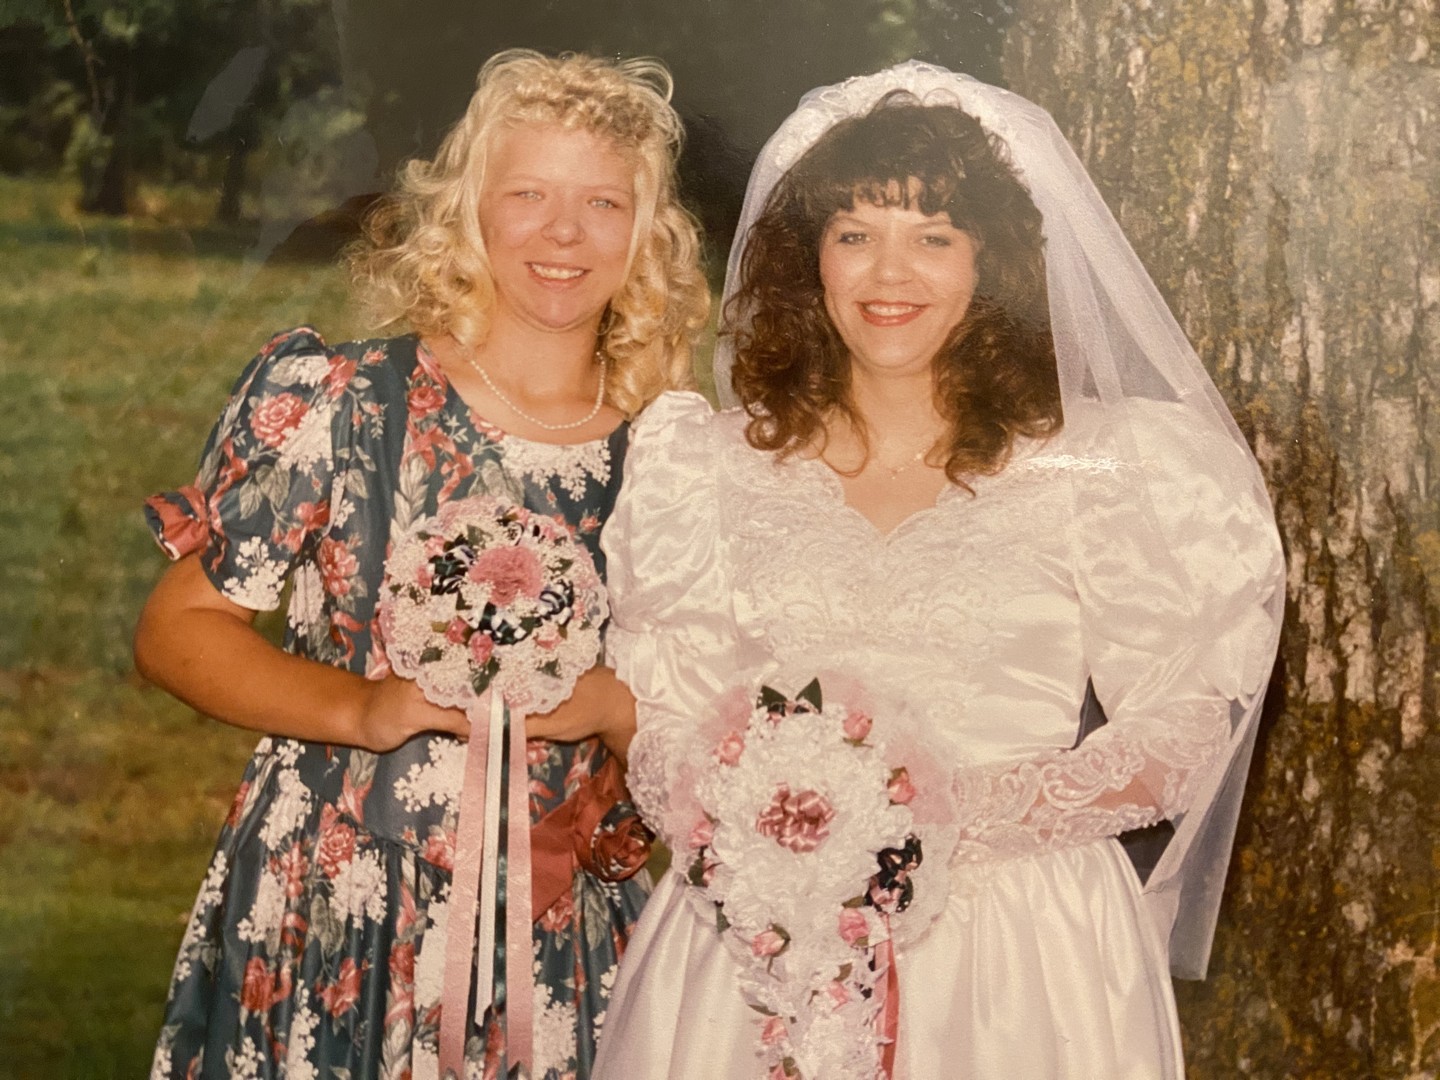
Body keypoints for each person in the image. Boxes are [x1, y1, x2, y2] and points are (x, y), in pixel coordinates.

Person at [590, 63, 1285, 1078]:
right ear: (809, 260)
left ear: (988, 260)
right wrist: (765, 829)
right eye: (854, 235)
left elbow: (1180, 732)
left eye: (934, 238)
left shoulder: (1105, 467)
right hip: (764, 943)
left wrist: (930, 818)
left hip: (1022, 957)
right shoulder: (706, 466)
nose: (890, 275)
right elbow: (666, 724)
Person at [135, 49, 708, 1080]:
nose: (564, 232)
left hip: (559, 928)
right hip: (332, 905)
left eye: (603, 203)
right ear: (467, 210)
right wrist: (363, 709)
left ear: (646, 235)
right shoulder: (351, 402)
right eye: (528, 194)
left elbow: (704, 717)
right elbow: (177, 632)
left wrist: (615, 708)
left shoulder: (671, 459)